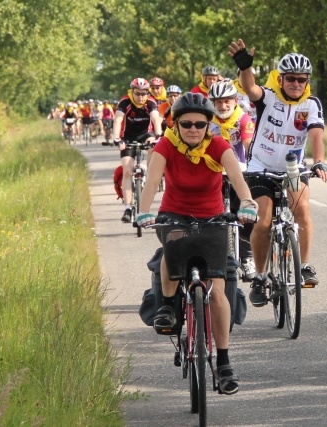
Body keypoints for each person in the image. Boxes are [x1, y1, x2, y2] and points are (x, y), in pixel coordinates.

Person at [136, 92, 258, 395]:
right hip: (174, 215)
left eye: (200, 124)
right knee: (172, 249)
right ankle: (166, 306)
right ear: (176, 124)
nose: (193, 129)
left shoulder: (218, 145)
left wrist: (247, 202)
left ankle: (225, 362)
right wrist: (144, 210)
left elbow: (237, 177)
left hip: (212, 217)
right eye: (186, 123)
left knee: (216, 284)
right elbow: (152, 181)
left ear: (208, 125)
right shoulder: (166, 145)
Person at [228, 39, 327, 307]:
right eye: (290, 79)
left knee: (302, 210)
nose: (296, 84)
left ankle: (305, 266)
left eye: (301, 79)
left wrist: (319, 161)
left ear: (306, 81)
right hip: (260, 166)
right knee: (262, 222)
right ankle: (261, 277)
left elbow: (317, 134)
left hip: (292, 167)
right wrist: (245, 67)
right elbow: (250, 88)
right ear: (281, 78)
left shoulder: (311, 104)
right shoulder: (269, 97)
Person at [208, 79, 256, 281]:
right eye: (218, 102)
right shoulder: (207, 121)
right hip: (214, 172)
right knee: (209, 215)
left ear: (236, 100)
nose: (223, 105)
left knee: (245, 214)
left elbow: (247, 144)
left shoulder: (243, 119)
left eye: (227, 101)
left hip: (240, 172)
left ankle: (247, 258)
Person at [112, 77, 163, 223]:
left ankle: (148, 170)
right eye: (137, 93)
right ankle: (128, 207)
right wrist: (116, 138)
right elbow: (118, 120)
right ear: (131, 92)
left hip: (146, 134)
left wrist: (158, 135)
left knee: (154, 145)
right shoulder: (124, 102)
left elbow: (155, 119)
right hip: (127, 137)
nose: (140, 97)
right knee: (127, 170)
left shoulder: (150, 102)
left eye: (143, 93)